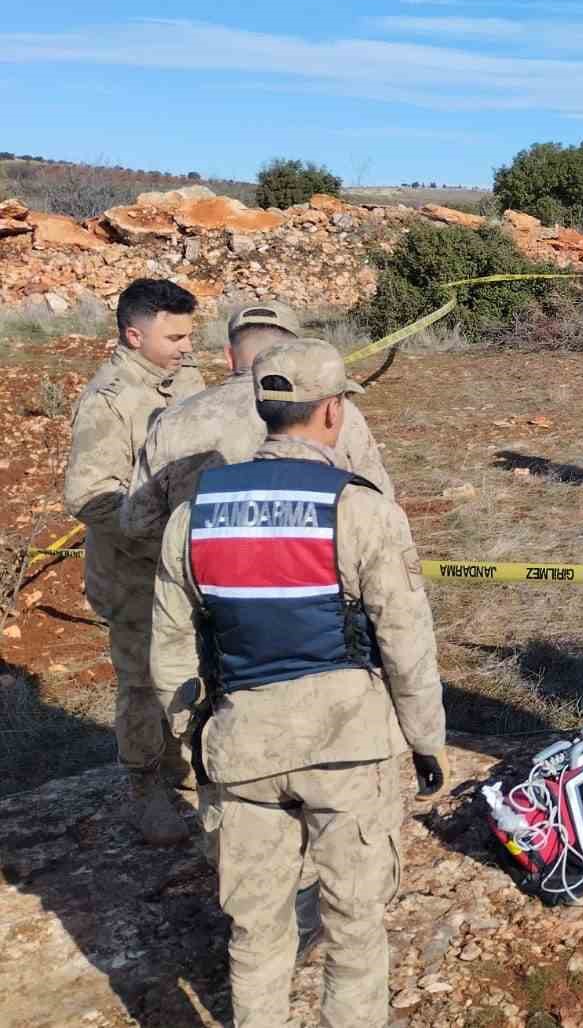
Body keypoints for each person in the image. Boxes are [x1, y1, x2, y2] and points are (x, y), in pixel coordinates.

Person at [150, 339, 447, 1028]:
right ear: (333, 411)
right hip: (347, 749)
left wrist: (192, 740)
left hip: (242, 747)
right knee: (354, 928)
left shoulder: (194, 516)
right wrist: (425, 740)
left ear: (263, 410)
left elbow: (169, 651)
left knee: (255, 929)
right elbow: (405, 642)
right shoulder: (362, 509)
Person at [64, 277, 204, 846]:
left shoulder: (185, 379)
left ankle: (180, 760)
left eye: (189, 335)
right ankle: (145, 786)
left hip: (185, 567)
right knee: (141, 681)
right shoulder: (110, 400)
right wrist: (160, 533)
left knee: (190, 663)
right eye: (175, 337)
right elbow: (89, 496)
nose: (187, 347)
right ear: (133, 335)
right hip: (132, 574)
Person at [123, 300, 394, 546]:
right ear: (297, 355)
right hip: (317, 570)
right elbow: (379, 504)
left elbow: (138, 523)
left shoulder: (173, 420)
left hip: (208, 575)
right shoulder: (335, 413)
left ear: (229, 356)